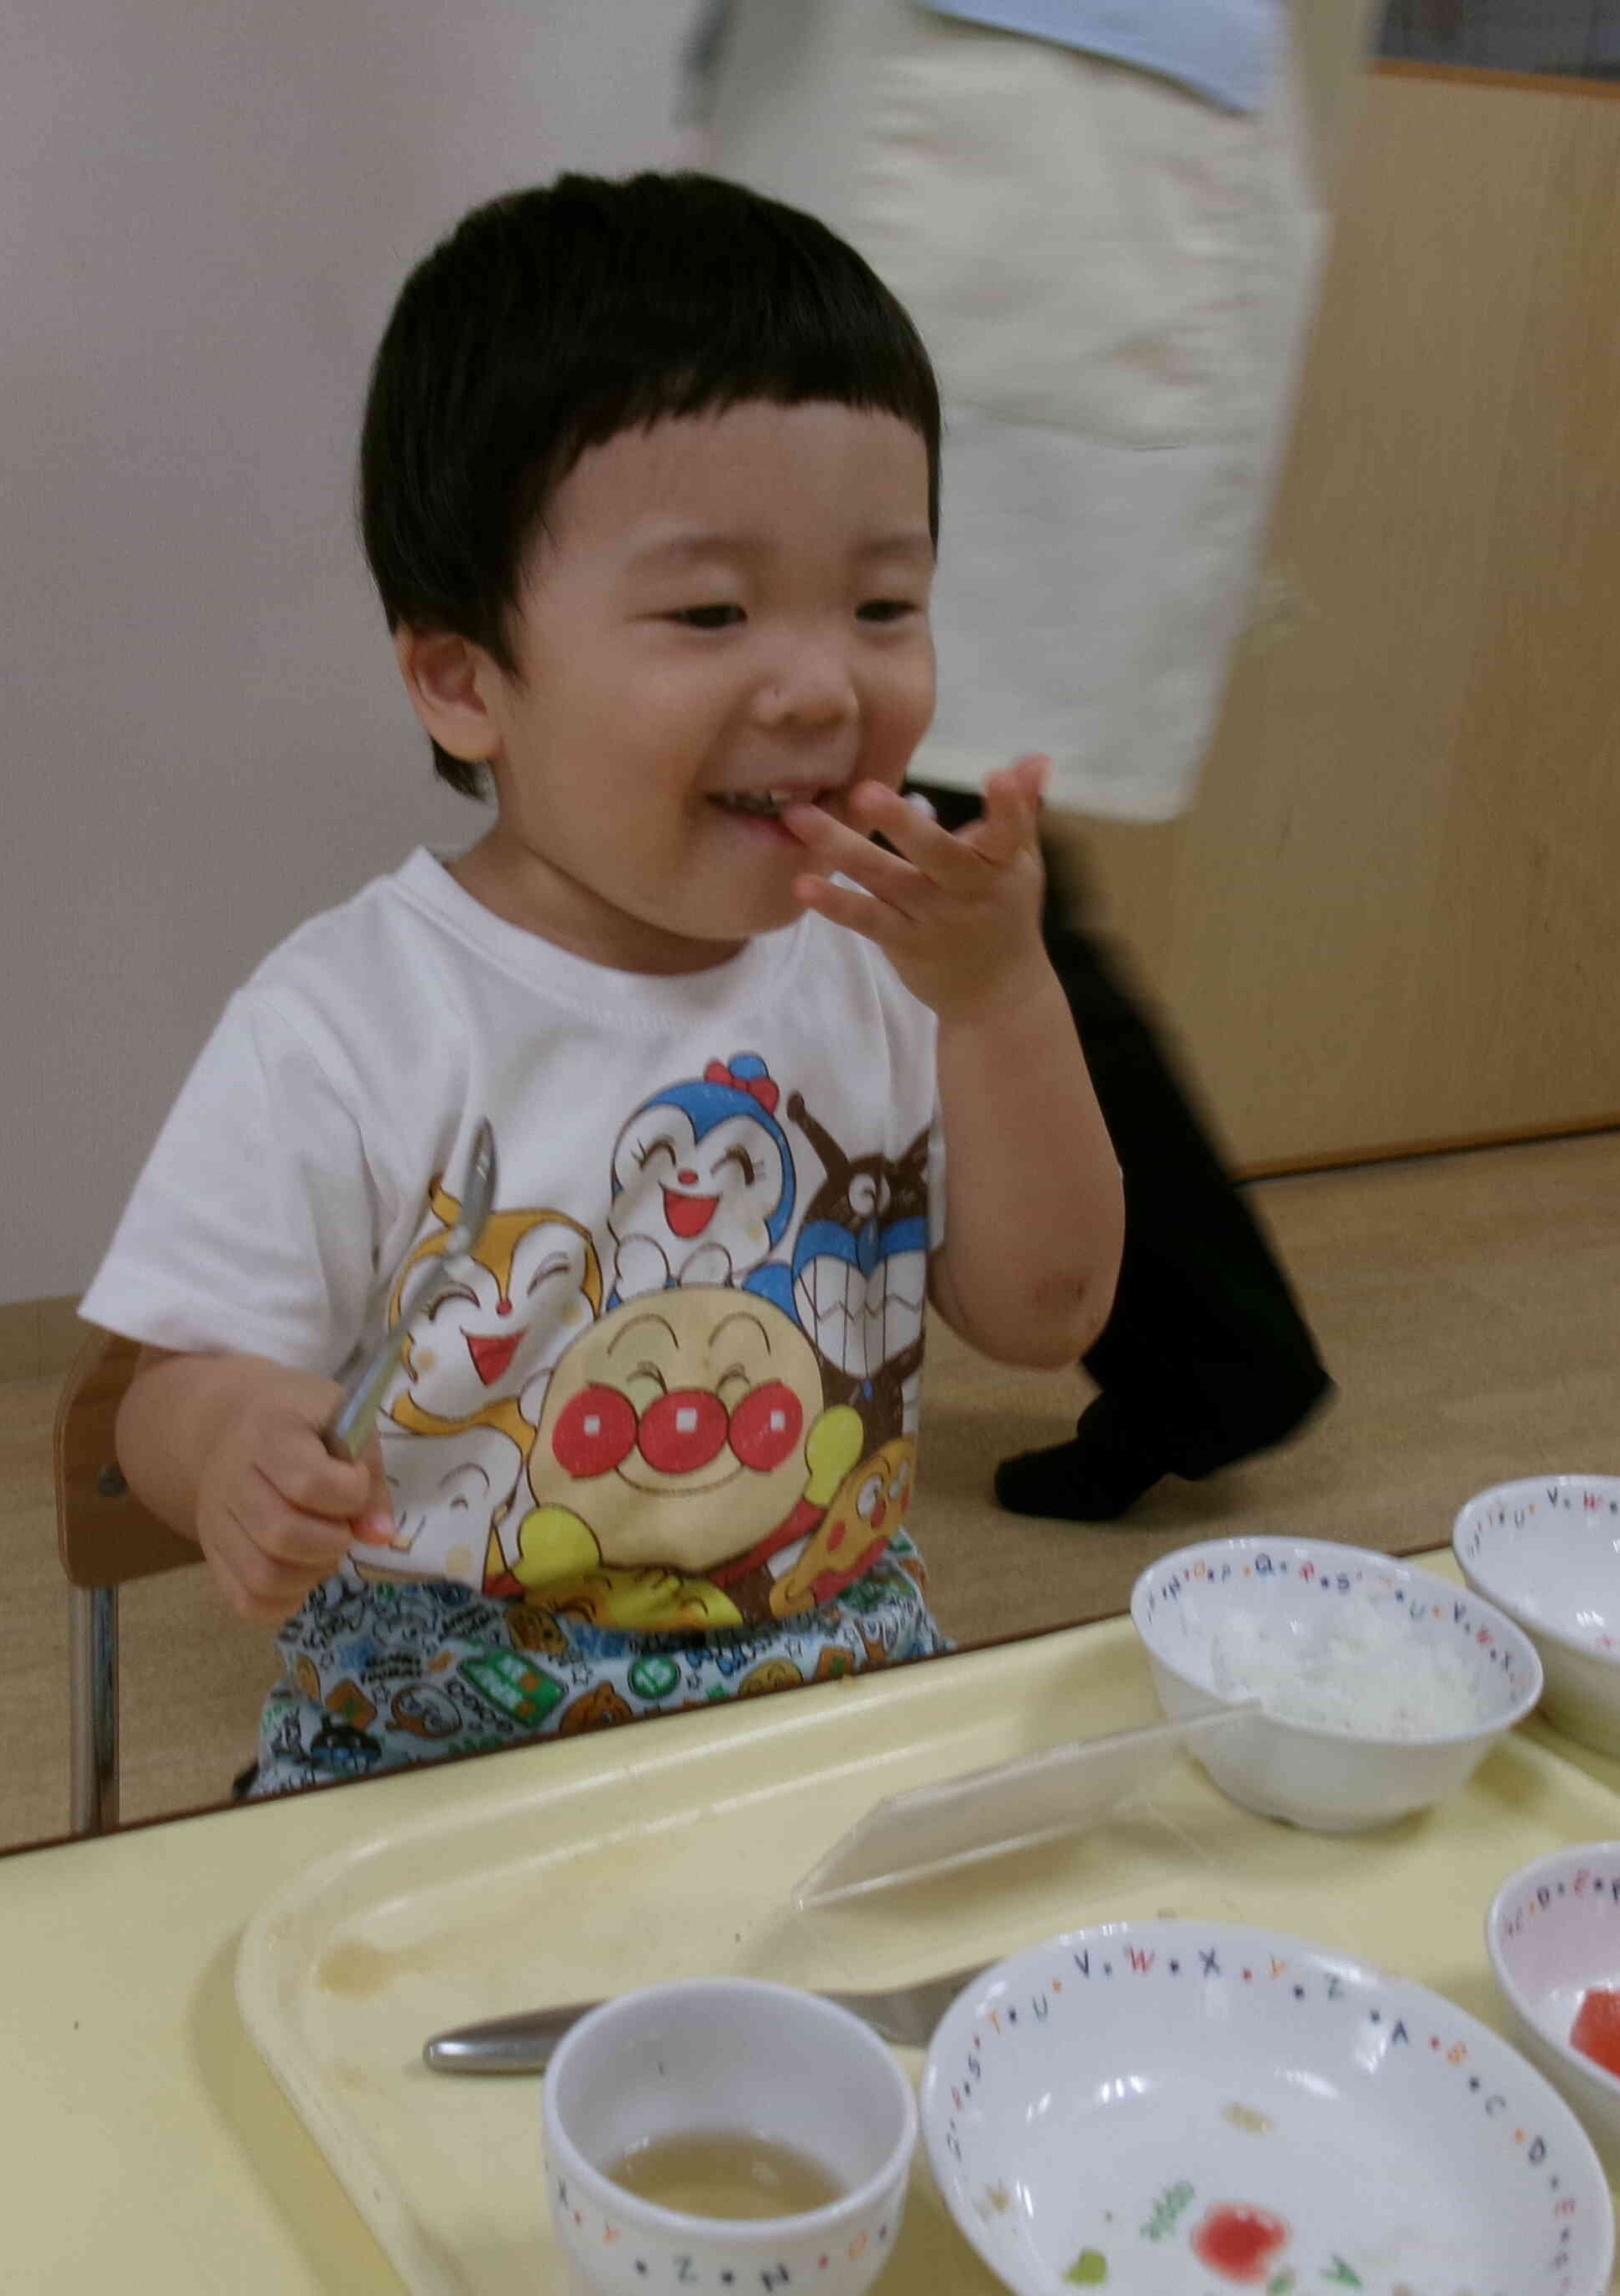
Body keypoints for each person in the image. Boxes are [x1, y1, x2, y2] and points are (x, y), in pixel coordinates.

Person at [81, 173, 1123, 1796]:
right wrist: (228, 1448)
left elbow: (1050, 1317)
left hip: (827, 1692)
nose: (821, 684)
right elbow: (167, 1389)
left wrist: (1000, 1003)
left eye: (883, 605)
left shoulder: (891, 963)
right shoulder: (352, 1019)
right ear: (463, 679)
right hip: (435, 1732)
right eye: (711, 610)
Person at [694, 0, 1347, 1520]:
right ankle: (1205, 1349)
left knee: (912, 852)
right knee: (903, 844)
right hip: (1004, 169)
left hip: (1030, 155)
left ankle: (1205, 1347)